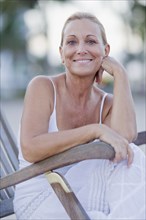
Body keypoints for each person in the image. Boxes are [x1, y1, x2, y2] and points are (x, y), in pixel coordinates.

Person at [14, 12, 145, 220]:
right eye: (72, 42)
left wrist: (121, 74)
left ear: (106, 51)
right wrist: (95, 129)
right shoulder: (43, 87)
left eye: (91, 41)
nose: (81, 49)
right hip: (41, 197)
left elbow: (125, 138)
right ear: (61, 52)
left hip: (86, 193)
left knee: (130, 157)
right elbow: (31, 148)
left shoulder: (107, 104)